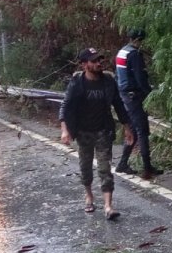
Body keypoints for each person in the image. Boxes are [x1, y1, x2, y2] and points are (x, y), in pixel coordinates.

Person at [59, 48, 134, 221]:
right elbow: (66, 106)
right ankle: (89, 196)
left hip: (103, 130)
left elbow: (118, 105)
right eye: (94, 61)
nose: (99, 63)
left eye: (100, 60)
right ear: (84, 64)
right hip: (83, 131)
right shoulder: (77, 83)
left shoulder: (108, 81)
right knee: (85, 167)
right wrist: (65, 129)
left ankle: (108, 206)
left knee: (105, 169)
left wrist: (127, 127)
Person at [114, 29, 161, 179]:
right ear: (138, 40)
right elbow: (140, 78)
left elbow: (118, 76)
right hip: (134, 96)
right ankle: (147, 167)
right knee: (142, 131)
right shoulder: (134, 54)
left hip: (124, 95)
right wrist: (149, 94)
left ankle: (122, 163)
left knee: (134, 129)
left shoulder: (122, 52)